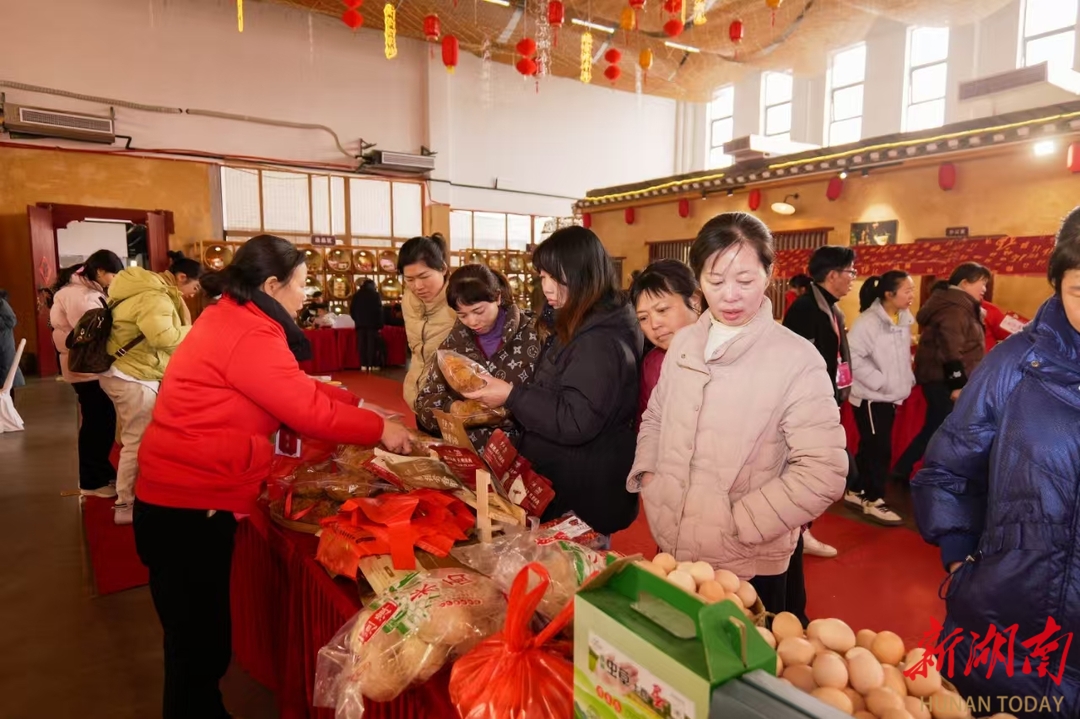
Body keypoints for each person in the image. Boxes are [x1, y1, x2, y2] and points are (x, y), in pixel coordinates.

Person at [133, 234, 412, 719]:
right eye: (302, 284)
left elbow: (289, 385)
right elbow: (306, 413)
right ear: (271, 284)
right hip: (187, 503)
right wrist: (379, 428)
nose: (307, 295)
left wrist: (353, 402)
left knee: (195, 641)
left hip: (182, 495)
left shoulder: (233, 316)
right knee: (198, 646)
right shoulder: (250, 330)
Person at [630, 213, 846, 623]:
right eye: (715, 280)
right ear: (698, 280)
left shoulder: (797, 359)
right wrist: (650, 479)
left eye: (745, 281)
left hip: (747, 561)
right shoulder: (686, 342)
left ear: (770, 273)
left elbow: (825, 471)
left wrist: (742, 523)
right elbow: (656, 414)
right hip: (673, 542)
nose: (730, 296)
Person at [909, 209, 1080, 718]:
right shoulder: (1015, 365)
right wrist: (962, 559)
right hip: (1005, 629)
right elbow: (947, 471)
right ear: (1057, 283)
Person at [463, 226, 643, 537]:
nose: (545, 287)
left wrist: (512, 396)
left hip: (582, 493)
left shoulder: (599, 340)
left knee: (573, 578)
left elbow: (575, 419)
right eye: (542, 276)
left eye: (553, 277)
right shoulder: (585, 319)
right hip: (572, 481)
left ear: (580, 275)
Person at [101, 250, 202, 525]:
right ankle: (125, 504)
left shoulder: (145, 289)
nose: (193, 294)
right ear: (182, 277)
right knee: (137, 440)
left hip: (127, 372)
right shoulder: (154, 296)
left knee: (134, 437)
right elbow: (163, 337)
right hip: (133, 375)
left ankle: (137, 495)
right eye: (194, 286)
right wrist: (199, 329)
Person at [782, 245, 858, 559]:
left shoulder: (832, 308)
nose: (854, 278)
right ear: (832, 275)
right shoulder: (805, 308)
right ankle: (797, 532)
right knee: (811, 472)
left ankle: (802, 532)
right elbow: (790, 362)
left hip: (825, 400)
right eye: (850, 271)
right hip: (806, 406)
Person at [414, 264, 541, 450]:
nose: (472, 322)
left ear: (497, 297)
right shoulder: (453, 344)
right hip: (469, 456)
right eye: (462, 315)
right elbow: (425, 403)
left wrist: (510, 407)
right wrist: (453, 409)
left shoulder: (534, 336)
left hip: (525, 455)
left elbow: (552, 404)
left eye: (478, 311)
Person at [891, 262, 991, 482]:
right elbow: (950, 346)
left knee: (937, 426)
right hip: (944, 379)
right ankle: (920, 472)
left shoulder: (958, 304)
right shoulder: (954, 306)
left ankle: (908, 469)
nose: (984, 288)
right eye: (981, 283)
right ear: (964, 283)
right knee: (941, 428)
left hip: (942, 378)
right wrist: (957, 384)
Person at [49, 250, 125, 497]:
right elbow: (95, 334)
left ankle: (100, 472)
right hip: (86, 369)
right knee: (97, 423)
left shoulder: (84, 292)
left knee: (100, 421)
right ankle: (92, 481)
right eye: (114, 274)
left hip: (86, 368)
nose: (116, 279)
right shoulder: (81, 297)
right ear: (101, 272)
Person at [843, 271, 915, 525]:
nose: (911, 296)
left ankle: (856, 490)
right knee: (879, 449)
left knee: (870, 446)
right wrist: (879, 381)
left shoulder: (902, 319)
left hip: (889, 396)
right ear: (889, 294)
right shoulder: (868, 322)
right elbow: (853, 356)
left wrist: (905, 378)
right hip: (872, 397)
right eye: (907, 290)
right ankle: (874, 500)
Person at [630, 259, 702, 425]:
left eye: (662, 310)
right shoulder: (653, 364)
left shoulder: (726, 353)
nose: (654, 324)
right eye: (643, 318)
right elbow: (646, 425)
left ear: (695, 302)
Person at [399, 234, 456, 421]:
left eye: (424, 276)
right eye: (409, 279)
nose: (418, 286)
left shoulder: (460, 299)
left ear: (443, 269)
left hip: (454, 405)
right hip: (419, 398)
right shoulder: (408, 300)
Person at [350, 279, 384, 370]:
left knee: (362, 344)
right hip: (373, 324)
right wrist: (380, 324)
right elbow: (379, 311)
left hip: (360, 324)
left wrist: (357, 320)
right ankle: (372, 364)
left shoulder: (356, 295)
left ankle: (363, 364)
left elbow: (352, 310)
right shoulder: (375, 295)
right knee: (372, 345)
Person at [0, 289, 24, 402]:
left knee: (6, 382)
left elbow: (11, 321)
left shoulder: (1, 303)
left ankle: (8, 411)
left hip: (3, 345)